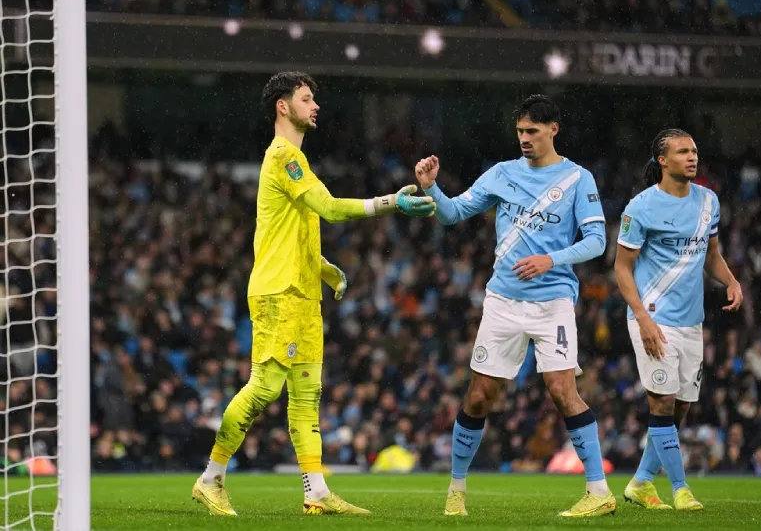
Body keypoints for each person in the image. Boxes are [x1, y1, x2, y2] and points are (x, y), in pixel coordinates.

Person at [191, 71, 436, 517]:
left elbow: (288, 230)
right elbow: (328, 208)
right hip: (278, 293)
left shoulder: (295, 162)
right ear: (283, 106)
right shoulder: (284, 157)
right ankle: (211, 478)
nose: (315, 105)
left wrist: (323, 270)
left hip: (303, 294)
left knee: (308, 395)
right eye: (306, 98)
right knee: (264, 388)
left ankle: (317, 492)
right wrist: (391, 203)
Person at [414, 94, 615, 518]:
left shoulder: (578, 179)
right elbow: (452, 215)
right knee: (481, 395)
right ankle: (456, 490)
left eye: (533, 132)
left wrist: (551, 259)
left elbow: (597, 242)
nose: (524, 139)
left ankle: (599, 491)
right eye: (520, 131)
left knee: (563, 391)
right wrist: (431, 187)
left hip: (554, 301)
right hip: (503, 301)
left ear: (553, 130)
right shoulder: (502, 174)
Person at [614, 128, 743, 511]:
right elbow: (622, 269)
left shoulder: (708, 202)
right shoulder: (640, 207)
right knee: (662, 402)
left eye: (694, 151)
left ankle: (639, 483)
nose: (692, 157)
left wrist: (732, 281)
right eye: (683, 152)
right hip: (654, 318)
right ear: (662, 160)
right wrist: (642, 319)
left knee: (682, 407)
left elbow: (711, 255)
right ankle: (681, 488)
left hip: (692, 321)